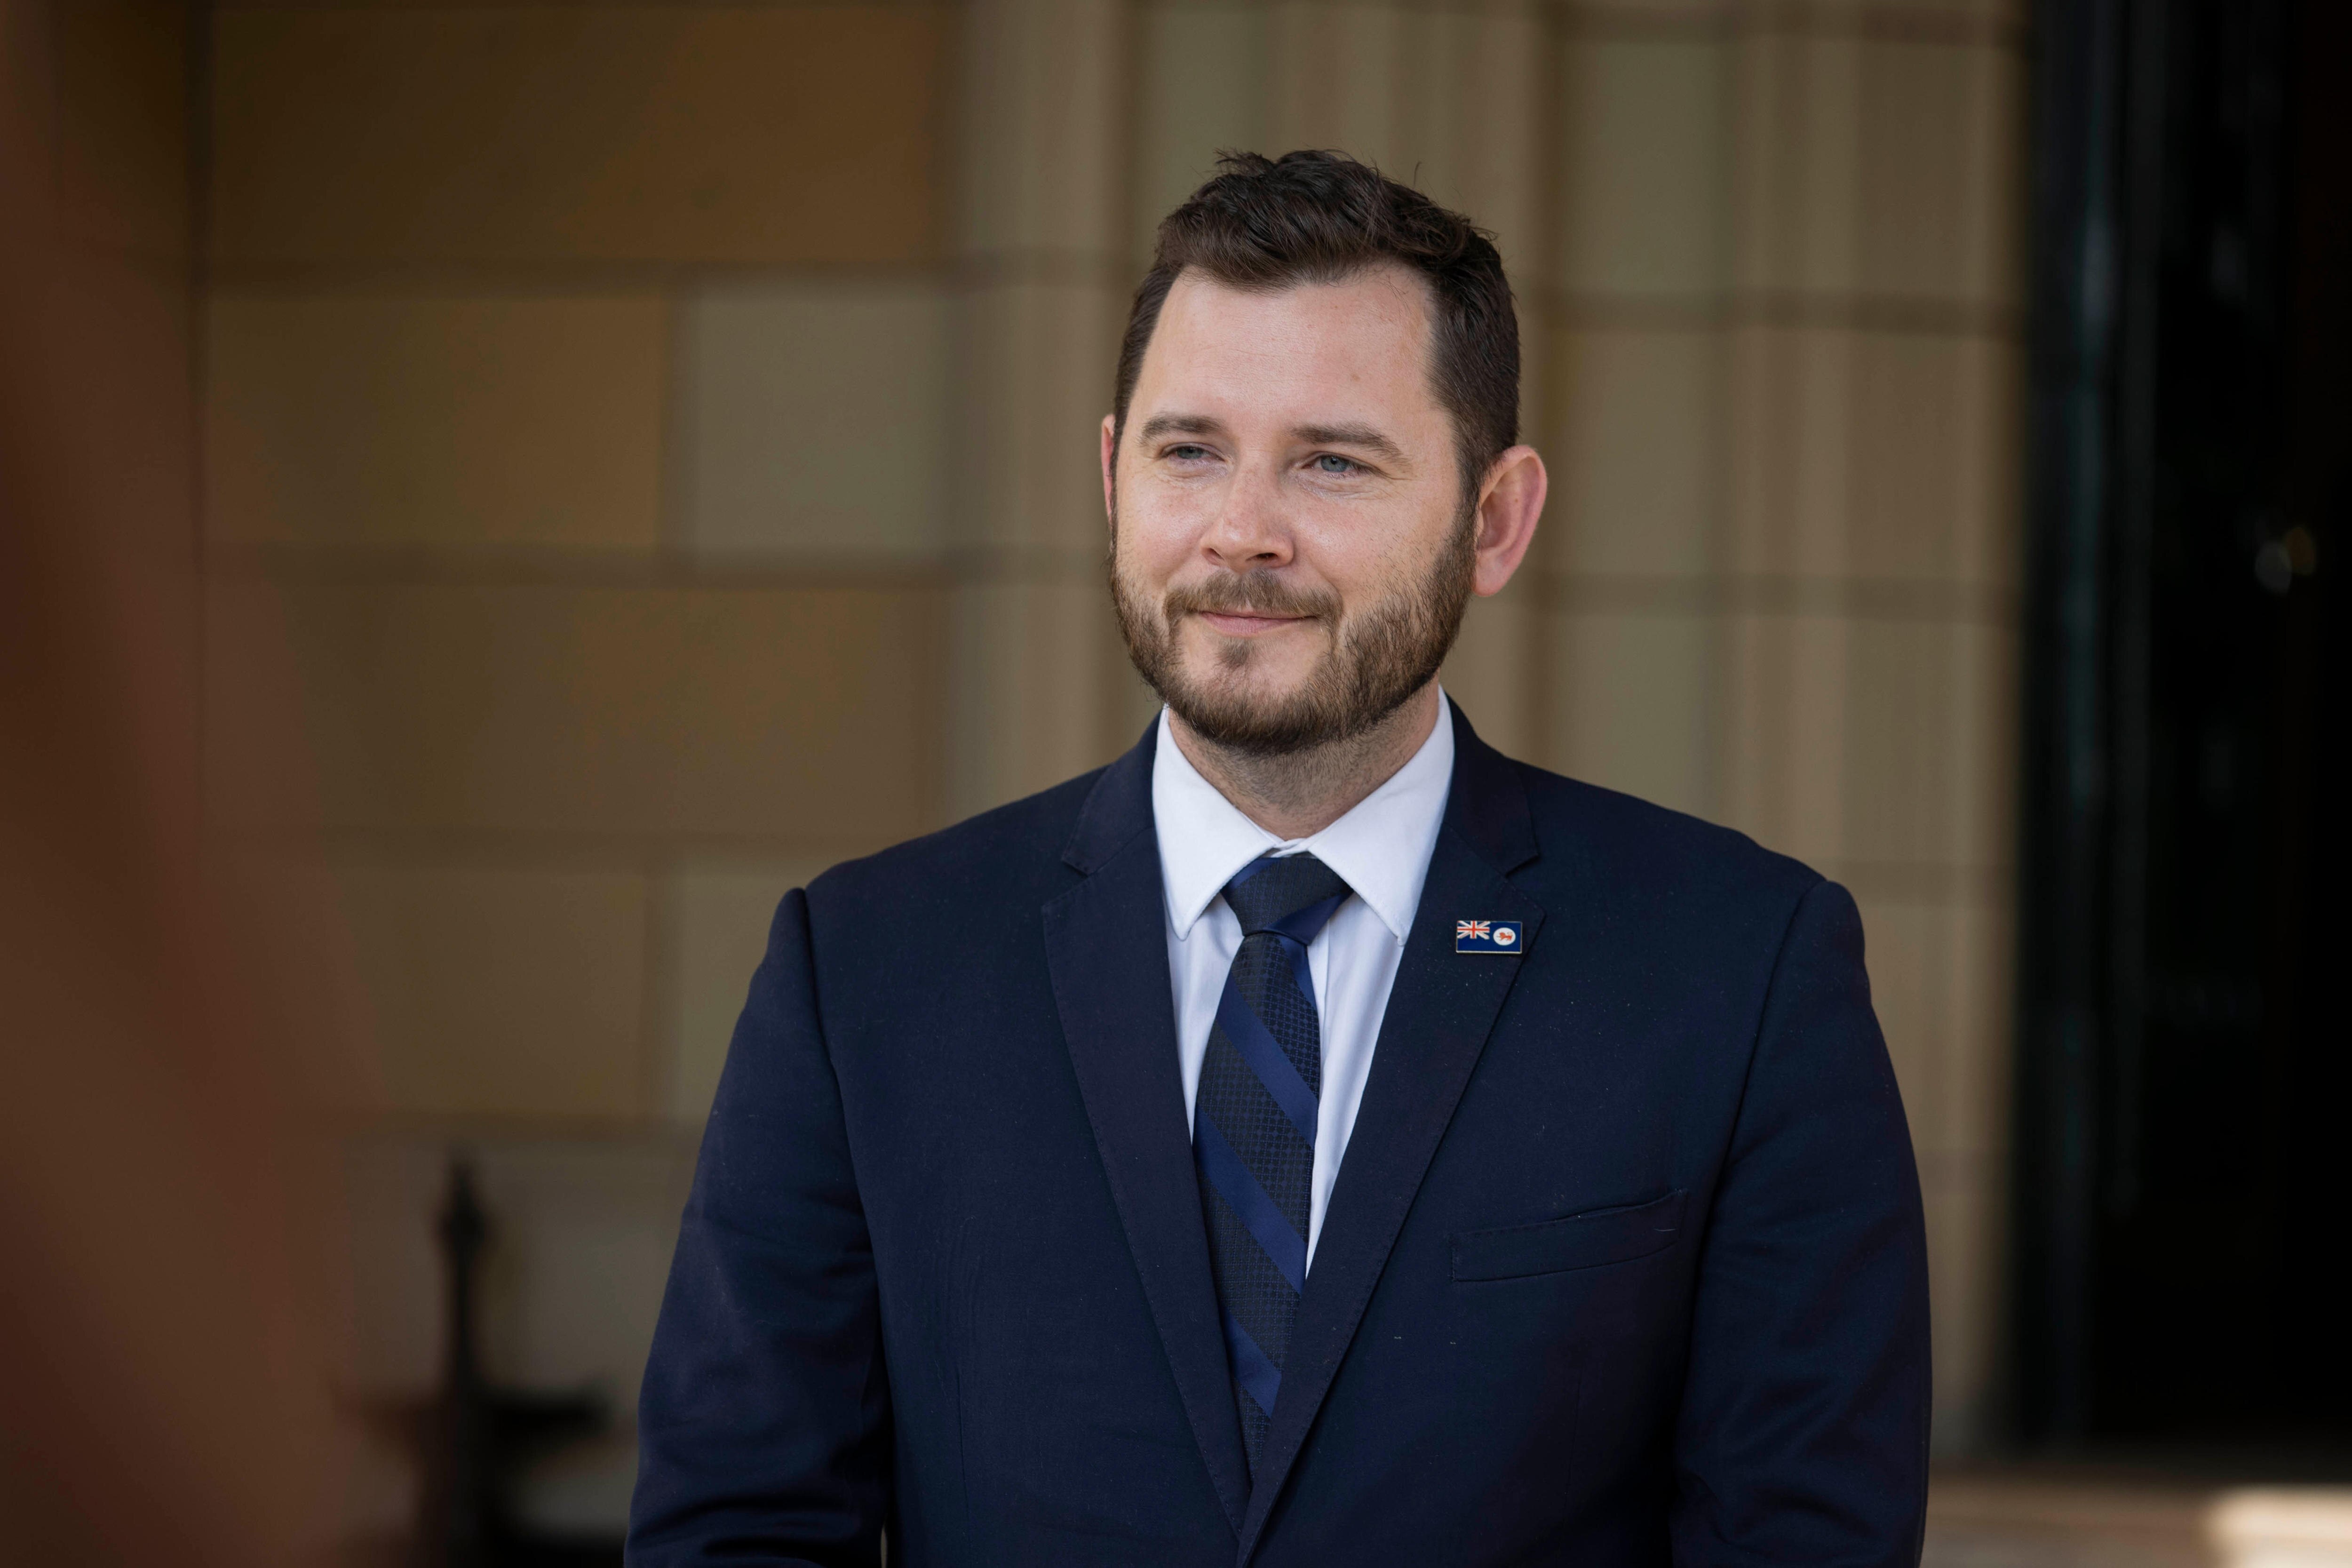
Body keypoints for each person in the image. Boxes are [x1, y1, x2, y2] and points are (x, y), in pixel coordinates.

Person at [628, 150, 1929, 1567]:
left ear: (1495, 521)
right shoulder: (866, 975)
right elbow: (737, 1535)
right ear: (1112, 475)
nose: (1244, 534)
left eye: (1331, 462)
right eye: (1191, 451)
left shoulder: (1738, 974)